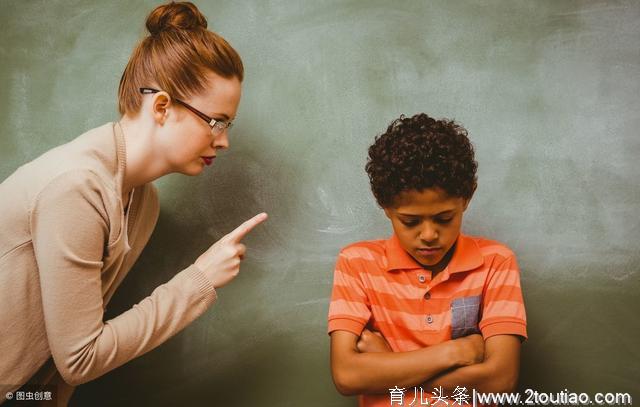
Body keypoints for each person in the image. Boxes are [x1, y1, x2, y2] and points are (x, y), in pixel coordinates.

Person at [0, 2, 267, 405]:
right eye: (216, 121)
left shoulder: (142, 202)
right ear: (161, 107)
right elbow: (81, 358)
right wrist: (200, 280)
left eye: (228, 125)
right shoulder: (79, 186)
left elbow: (54, 370)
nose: (224, 140)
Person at [327, 113, 527, 406]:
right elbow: (346, 375)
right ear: (385, 206)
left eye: (445, 218)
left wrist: (387, 363)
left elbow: (498, 381)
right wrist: (456, 353)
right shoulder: (357, 263)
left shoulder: (496, 263)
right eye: (410, 222)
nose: (429, 235)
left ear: (467, 198)